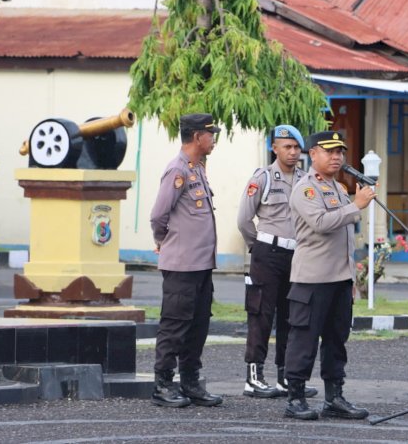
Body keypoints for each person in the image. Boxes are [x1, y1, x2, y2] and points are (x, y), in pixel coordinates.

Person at [282, 131, 376, 421]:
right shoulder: (305, 189)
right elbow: (321, 223)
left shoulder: (337, 188)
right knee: (304, 340)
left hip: (339, 279)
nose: (337, 157)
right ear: (313, 154)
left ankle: (334, 397)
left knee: (336, 340)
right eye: (330, 151)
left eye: (340, 152)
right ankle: (295, 397)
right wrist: (356, 206)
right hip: (312, 280)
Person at [236, 125, 317, 399]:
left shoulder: (307, 180)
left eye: (296, 147)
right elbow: (244, 220)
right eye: (287, 147)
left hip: (296, 256)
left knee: (291, 317)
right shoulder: (262, 178)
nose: (293, 152)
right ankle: (254, 378)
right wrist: (257, 246)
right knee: (261, 315)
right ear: (275, 148)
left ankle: (285, 376)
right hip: (267, 254)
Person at [149, 113, 223, 409]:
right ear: (197, 137)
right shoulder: (177, 170)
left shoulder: (198, 169)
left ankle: (190, 383)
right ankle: (163, 385)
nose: (214, 139)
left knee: (198, 326)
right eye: (211, 134)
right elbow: (158, 215)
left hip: (202, 265)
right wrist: (164, 241)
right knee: (175, 325)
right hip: (182, 265)